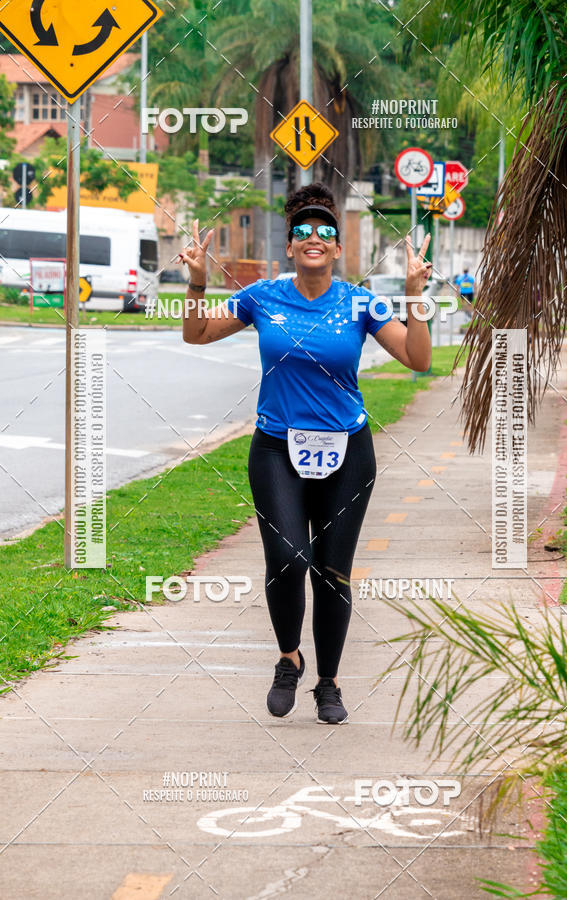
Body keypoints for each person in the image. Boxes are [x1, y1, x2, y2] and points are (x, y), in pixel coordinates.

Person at [180, 183, 432, 724]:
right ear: (289, 248)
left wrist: (415, 294)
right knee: (289, 556)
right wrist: (197, 280)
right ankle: (289, 657)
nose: (313, 237)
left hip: (348, 450)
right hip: (276, 447)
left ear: (338, 249)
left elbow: (417, 358)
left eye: (324, 231)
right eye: (302, 231)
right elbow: (196, 334)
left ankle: (329, 683)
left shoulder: (362, 302)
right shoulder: (262, 296)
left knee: (333, 572)